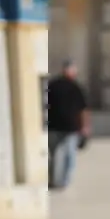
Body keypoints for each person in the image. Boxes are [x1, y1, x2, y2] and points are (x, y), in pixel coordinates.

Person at [46, 61, 91, 190]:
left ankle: (54, 180)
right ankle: (64, 180)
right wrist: (85, 127)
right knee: (69, 155)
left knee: (54, 155)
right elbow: (83, 109)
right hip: (70, 127)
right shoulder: (76, 87)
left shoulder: (52, 85)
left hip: (53, 126)